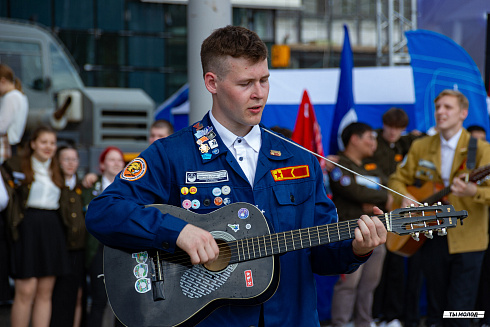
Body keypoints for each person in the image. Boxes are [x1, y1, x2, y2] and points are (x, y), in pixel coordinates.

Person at [85, 25, 387, 327]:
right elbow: (103, 211)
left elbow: (321, 255)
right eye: (246, 83)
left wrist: (357, 248)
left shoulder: (300, 158)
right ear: (212, 82)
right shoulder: (172, 154)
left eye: (264, 80)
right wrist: (176, 231)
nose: (259, 94)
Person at [389, 89, 490, 327]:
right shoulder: (420, 146)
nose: (440, 112)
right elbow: (396, 179)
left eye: (448, 107)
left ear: (463, 113)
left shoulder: (482, 150)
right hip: (431, 236)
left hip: (468, 240)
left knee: (461, 311)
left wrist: (473, 191)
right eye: (438, 107)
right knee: (436, 307)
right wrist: (404, 196)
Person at [2, 125, 70, 327]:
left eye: (52, 142)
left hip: (52, 228)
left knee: (45, 292)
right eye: (43, 142)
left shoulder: (57, 168)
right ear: (33, 144)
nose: (48, 147)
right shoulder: (16, 166)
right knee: (25, 291)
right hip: (28, 227)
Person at [329, 122, 390, 327]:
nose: (374, 143)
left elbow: (386, 187)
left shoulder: (370, 165)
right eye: (369, 138)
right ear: (354, 139)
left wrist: (376, 198)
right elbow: (353, 191)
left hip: (376, 233)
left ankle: (364, 323)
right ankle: (340, 323)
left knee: (369, 284)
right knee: (349, 285)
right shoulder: (338, 164)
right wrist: (380, 197)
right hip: (350, 235)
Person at [367, 108, 424, 327]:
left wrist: (420, 135)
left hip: (400, 213)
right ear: (384, 125)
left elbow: (430, 142)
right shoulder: (373, 140)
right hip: (377, 209)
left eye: (398, 129)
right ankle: (375, 314)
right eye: (390, 127)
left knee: (397, 266)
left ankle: (392, 315)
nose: (393, 133)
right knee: (376, 267)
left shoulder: (407, 141)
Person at [82, 146, 125, 327]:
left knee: (122, 301)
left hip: (122, 249)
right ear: (101, 164)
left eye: (119, 160)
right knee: (99, 298)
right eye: (111, 159)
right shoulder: (91, 186)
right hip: (97, 248)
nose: (116, 163)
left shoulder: (129, 185)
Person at [50, 145, 86, 327]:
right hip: (58, 251)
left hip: (78, 251)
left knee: (76, 295)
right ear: (58, 161)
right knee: (56, 296)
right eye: (66, 159)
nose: (71, 163)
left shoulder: (82, 186)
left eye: (74, 159)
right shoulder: (53, 186)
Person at [0, 64, 29, 163]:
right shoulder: (20, 95)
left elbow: (2, 126)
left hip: (6, 145)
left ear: (3, 81)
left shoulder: (10, 97)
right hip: (14, 144)